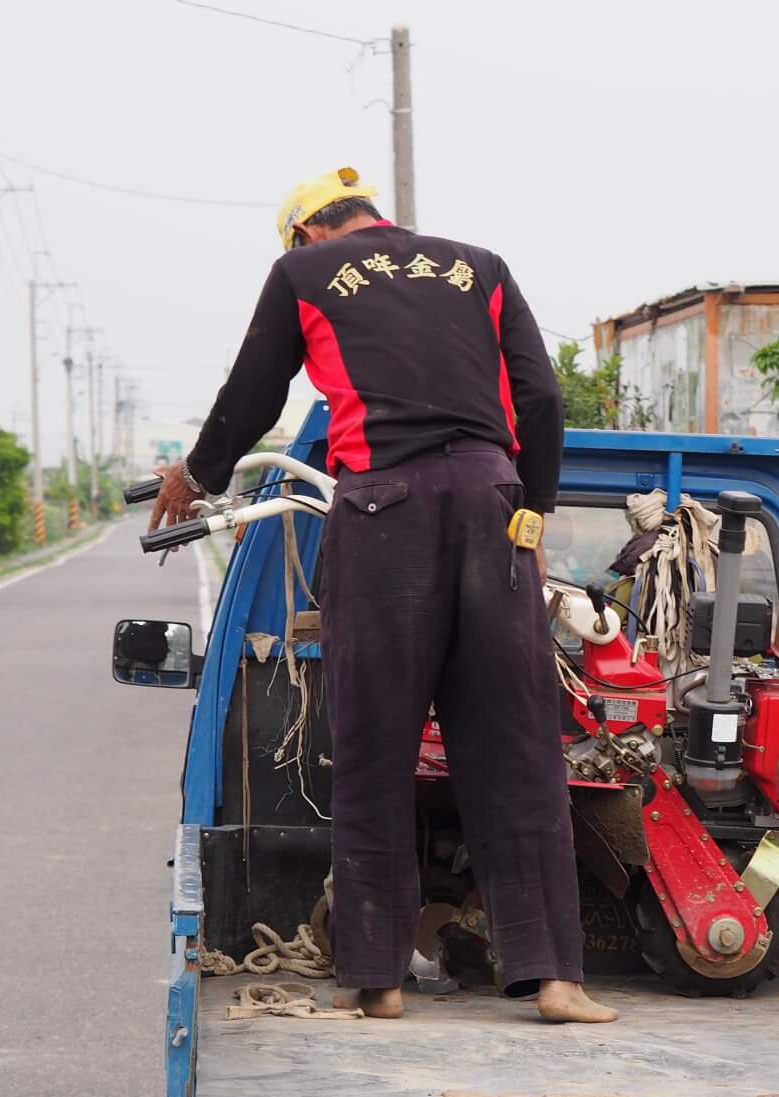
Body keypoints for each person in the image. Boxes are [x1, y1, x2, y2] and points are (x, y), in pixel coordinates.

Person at [147, 166, 615, 1025]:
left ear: (306, 234)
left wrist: (198, 475)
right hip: (492, 506)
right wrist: (533, 511)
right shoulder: (480, 265)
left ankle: (379, 979)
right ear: (372, 216)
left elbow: (255, 391)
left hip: (381, 511)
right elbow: (540, 397)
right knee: (518, 748)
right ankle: (556, 980)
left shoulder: (301, 276)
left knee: (373, 747)